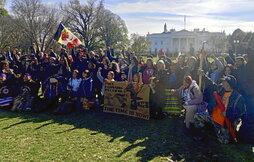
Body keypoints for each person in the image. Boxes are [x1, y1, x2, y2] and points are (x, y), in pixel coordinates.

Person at [194, 74, 246, 143]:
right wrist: (203, 75)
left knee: (224, 141)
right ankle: (202, 134)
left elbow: (241, 113)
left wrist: (227, 113)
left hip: (226, 121)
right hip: (214, 116)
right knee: (197, 116)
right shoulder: (220, 89)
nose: (222, 83)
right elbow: (211, 84)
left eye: (224, 81)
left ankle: (221, 133)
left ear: (228, 84)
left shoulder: (238, 97)